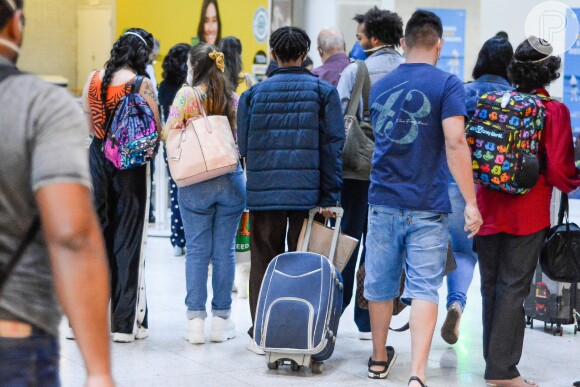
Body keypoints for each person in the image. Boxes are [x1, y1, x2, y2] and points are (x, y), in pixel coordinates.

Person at [365, 10, 482, 385]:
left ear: (403, 43)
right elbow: (455, 141)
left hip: (382, 198)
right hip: (428, 204)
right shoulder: (448, 84)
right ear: (439, 44)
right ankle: (417, 374)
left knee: (380, 285)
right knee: (423, 289)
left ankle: (379, 360)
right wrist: (471, 201)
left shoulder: (380, 84)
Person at [0, 0, 113, 385]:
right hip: (14, 333)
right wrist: (98, 371)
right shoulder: (43, 105)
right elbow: (72, 236)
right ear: (15, 25)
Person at [476, 37, 580, 387]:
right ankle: (503, 371)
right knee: (514, 286)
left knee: (490, 285)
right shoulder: (553, 111)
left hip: (487, 206)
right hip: (528, 212)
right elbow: (561, 172)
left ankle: (493, 363)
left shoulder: (495, 102)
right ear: (549, 71)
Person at [238, 26, 344, 355]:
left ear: (273, 54)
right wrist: (330, 196)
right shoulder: (323, 93)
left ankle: (261, 332)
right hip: (308, 197)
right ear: (305, 53)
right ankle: (301, 329)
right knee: (304, 262)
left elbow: (244, 147)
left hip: (264, 194)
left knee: (263, 260)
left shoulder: (252, 96)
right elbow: (332, 148)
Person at [82, 28, 162, 343]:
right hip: (130, 163)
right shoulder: (141, 85)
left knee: (96, 238)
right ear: (140, 56)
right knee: (128, 238)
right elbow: (155, 129)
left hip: (96, 159)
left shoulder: (92, 79)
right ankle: (123, 325)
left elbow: (89, 123)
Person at [165, 43, 245, 345]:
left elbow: (170, 131)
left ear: (194, 66)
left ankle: (195, 323)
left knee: (197, 251)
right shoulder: (231, 96)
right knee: (224, 251)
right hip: (230, 179)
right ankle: (221, 321)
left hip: (195, 180)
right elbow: (240, 136)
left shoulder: (186, 95)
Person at [335, 6, 404, 340]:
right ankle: (369, 321)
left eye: (361, 37)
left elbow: (338, 119)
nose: (358, 42)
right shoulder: (409, 70)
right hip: (397, 175)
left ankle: (334, 312)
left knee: (346, 242)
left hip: (357, 173)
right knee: (383, 248)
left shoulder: (356, 70)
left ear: (374, 37)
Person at [441, 36, 513, 345]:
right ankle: (497, 342)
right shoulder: (517, 98)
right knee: (501, 266)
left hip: (459, 186)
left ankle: (456, 301)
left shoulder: (462, 92)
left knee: (461, 250)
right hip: (501, 192)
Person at [158, 42, 191, 256]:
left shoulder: (163, 86)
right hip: (191, 143)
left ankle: (177, 240)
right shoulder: (189, 88)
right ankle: (189, 237)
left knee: (175, 192)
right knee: (191, 193)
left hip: (171, 143)